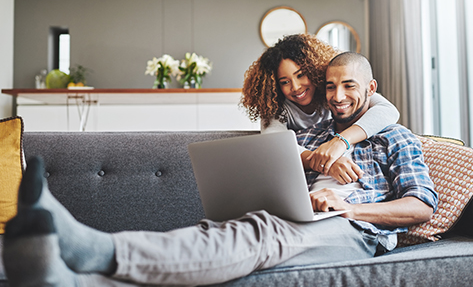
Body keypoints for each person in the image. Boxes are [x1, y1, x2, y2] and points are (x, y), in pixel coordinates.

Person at [3, 52, 438, 287]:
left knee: (260, 233)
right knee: (225, 230)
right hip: (294, 217)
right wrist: (307, 161)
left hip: (353, 232)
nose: (338, 95)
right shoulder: (303, 134)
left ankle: (99, 249)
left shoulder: (393, 135)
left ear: (371, 89)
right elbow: (275, 165)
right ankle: (71, 280)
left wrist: (347, 209)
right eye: (331, 86)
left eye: (350, 86)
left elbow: (421, 207)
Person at [241, 34, 400, 174]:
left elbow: (388, 111)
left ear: (314, 70)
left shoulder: (333, 93)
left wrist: (341, 141)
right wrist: (323, 162)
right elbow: (274, 145)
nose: (296, 87)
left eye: (301, 75)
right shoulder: (276, 107)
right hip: (308, 170)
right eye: (285, 82)